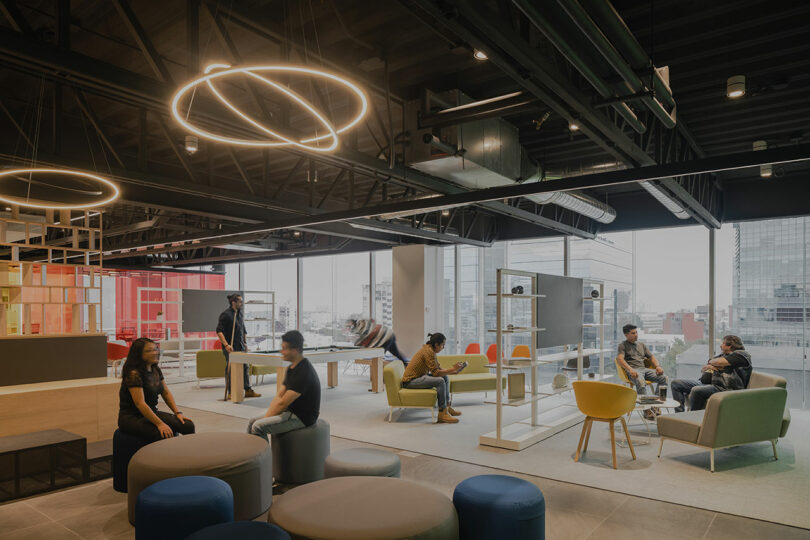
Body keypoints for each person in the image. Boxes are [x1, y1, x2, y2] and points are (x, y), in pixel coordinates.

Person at [247, 330, 321, 441]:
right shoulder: (291, 368)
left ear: (295, 350)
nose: (281, 351)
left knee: (258, 426)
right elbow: (279, 396)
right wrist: (268, 415)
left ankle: (263, 458)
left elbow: (283, 403)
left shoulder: (304, 372)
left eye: (284, 348)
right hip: (290, 411)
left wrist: (266, 418)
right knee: (252, 421)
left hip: (302, 417)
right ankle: (250, 453)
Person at [118, 337, 195, 441]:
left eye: (155, 349)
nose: (155, 352)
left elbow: (166, 393)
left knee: (188, 425)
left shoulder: (155, 369)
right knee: (162, 434)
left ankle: (189, 455)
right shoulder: (133, 373)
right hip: (132, 417)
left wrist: (178, 413)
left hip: (152, 412)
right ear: (139, 354)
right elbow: (140, 403)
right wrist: (160, 424)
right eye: (149, 351)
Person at [670, 335, 752, 412]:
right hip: (707, 383)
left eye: (723, 343)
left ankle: (693, 418)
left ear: (730, 345)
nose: (721, 345)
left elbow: (717, 362)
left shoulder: (742, 355)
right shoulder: (724, 355)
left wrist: (713, 366)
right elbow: (711, 362)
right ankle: (680, 415)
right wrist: (713, 365)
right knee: (676, 383)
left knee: (696, 390)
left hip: (725, 388)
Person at [401, 333, 464, 424]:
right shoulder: (428, 352)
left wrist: (452, 371)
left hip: (419, 377)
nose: (443, 347)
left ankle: (447, 407)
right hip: (410, 381)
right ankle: (442, 413)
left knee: (445, 377)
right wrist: (452, 369)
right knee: (440, 381)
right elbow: (436, 373)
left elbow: (437, 368)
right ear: (436, 344)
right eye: (442, 345)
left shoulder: (430, 350)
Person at [616, 324, 667, 419]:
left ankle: (655, 406)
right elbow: (620, 359)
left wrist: (657, 366)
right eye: (633, 333)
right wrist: (630, 369)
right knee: (640, 381)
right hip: (633, 371)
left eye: (636, 332)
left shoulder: (641, 345)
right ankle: (647, 410)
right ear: (626, 335)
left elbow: (651, 357)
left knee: (664, 378)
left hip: (644, 370)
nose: (636, 335)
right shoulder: (622, 346)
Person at [217, 293, 261, 399]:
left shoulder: (240, 313)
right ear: (233, 302)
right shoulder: (226, 315)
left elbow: (243, 329)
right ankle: (231, 392)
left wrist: (245, 342)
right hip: (230, 347)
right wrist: (226, 345)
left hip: (241, 346)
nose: (242, 303)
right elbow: (219, 331)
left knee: (245, 367)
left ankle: (248, 390)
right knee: (231, 368)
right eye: (240, 301)